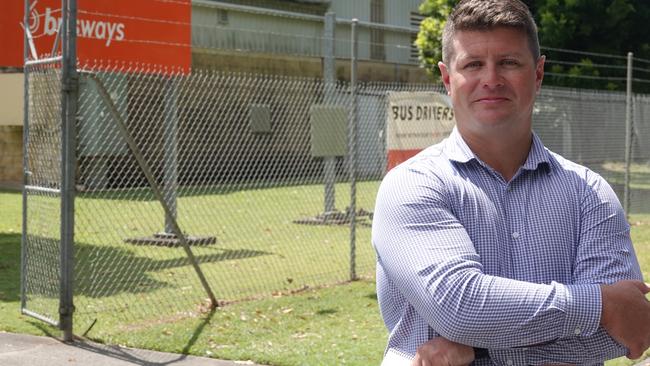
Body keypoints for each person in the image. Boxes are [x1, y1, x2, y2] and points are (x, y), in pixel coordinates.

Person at [371, 0, 650, 365]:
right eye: (472, 64)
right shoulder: (412, 185)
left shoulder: (589, 193)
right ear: (446, 78)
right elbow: (458, 305)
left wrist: (479, 349)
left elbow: (625, 332)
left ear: (537, 73)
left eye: (508, 62)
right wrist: (601, 303)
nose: (491, 79)